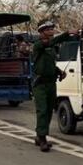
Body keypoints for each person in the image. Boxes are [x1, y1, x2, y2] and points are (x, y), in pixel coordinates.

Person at [31, 21, 76, 152]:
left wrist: (60, 72)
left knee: (50, 110)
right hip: (40, 84)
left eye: (52, 28)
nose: (52, 30)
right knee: (42, 110)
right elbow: (51, 42)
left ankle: (40, 136)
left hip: (51, 83)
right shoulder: (39, 45)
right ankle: (42, 138)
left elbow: (50, 64)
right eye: (49, 29)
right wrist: (67, 34)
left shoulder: (50, 49)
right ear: (42, 31)